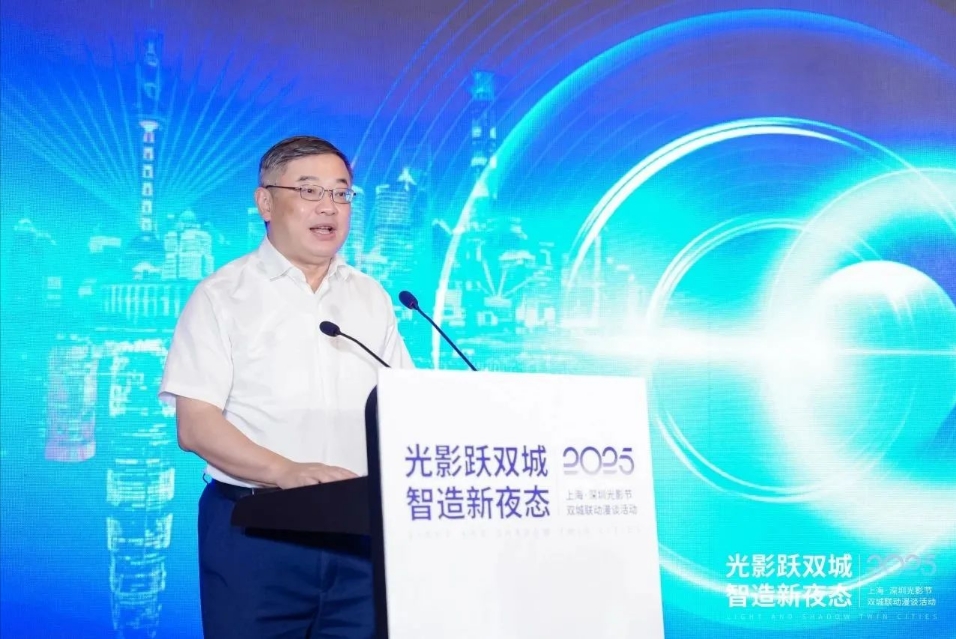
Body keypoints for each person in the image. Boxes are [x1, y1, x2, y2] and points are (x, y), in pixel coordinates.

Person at [159, 135, 413, 638]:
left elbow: (403, 403)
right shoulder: (221, 296)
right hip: (257, 530)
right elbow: (196, 426)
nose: (329, 207)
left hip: (359, 533)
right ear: (266, 202)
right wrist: (286, 472)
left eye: (341, 193)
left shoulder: (371, 296)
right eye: (310, 190)